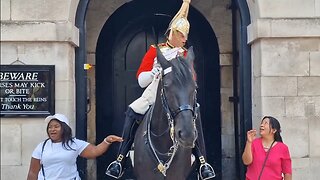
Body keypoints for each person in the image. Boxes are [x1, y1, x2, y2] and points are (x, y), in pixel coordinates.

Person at [105, 0, 215, 179]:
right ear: (173, 33)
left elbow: (192, 78)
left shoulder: (185, 55)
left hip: (179, 96)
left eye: (186, 36)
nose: (185, 39)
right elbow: (141, 80)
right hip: (154, 93)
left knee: (195, 113)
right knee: (133, 111)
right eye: (182, 35)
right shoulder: (155, 51)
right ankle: (121, 158)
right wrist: (153, 72)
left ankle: (202, 162)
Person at [27, 113, 123, 180]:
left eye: (56, 126)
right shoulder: (42, 147)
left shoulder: (74, 144)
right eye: (50, 127)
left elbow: (95, 151)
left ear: (64, 128)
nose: (52, 129)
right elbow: (33, 172)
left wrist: (107, 141)